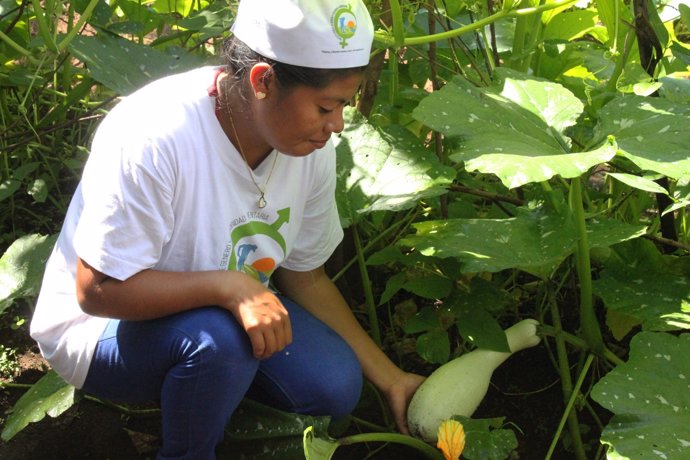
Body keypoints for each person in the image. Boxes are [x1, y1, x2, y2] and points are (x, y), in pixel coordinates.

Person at [30, 0, 425, 458]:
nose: (336, 126)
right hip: (102, 329)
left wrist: (391, 377)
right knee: (219, 344)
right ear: (262, 81)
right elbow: (95, 291)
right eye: (325, 107)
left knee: (332, 389)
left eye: (343, 105)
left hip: (228, 313)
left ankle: (205, 404)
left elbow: (306, 276)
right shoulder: (155, 135)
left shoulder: (310, 148)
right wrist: (230, 287)